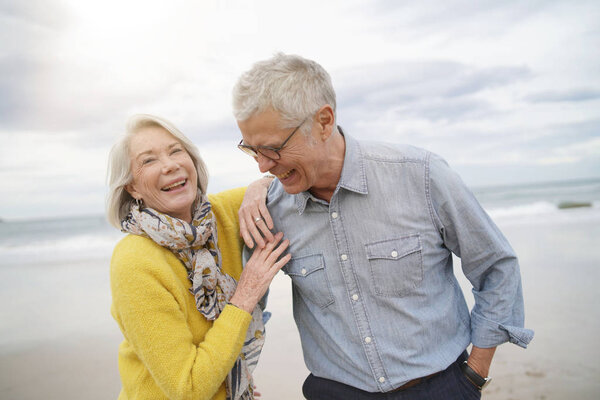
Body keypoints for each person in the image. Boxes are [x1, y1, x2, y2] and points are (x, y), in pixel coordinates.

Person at [232, 53, 534, 399]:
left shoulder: (421, 175)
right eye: (250, 149)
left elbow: (496, 267)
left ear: (324, 121)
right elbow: (247, 317)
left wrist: (475, 375)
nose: (261, 166)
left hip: (442, 388)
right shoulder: (267, 211)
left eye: (272, 148)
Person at [106, 114, 290, 400]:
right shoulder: (134, 262)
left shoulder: (221, 212)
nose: (170, 165)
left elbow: (285, 187)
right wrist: (245, 295)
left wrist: (260, 186)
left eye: (176, 151)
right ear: (132, 187)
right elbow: (188, 389)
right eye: (148, 161)